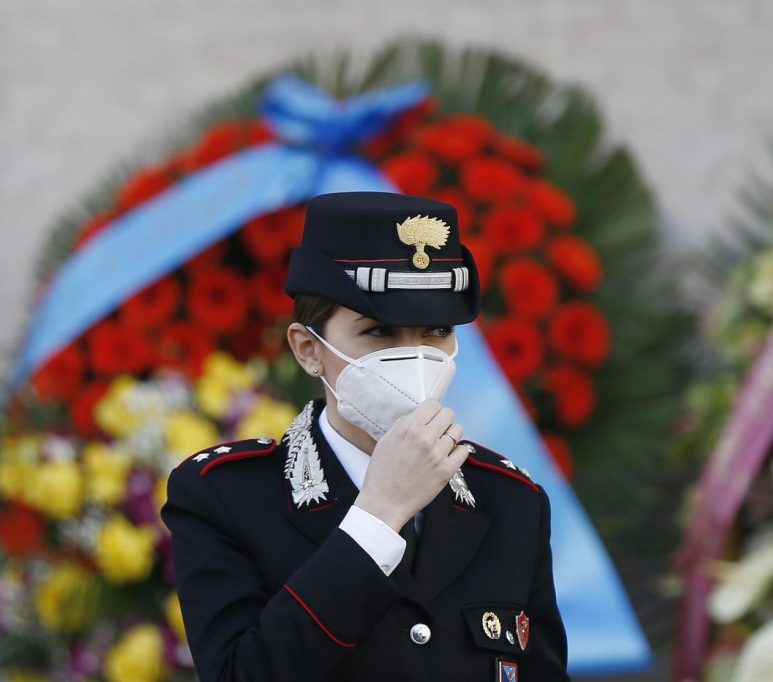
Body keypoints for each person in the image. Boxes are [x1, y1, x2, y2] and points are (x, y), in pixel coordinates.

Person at [159, 191, 570, 682]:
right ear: (309, 350)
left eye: (436, 330)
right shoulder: (224, 496)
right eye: (379, 333)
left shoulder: (511, 502)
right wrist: (377, 516)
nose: (416, 356)